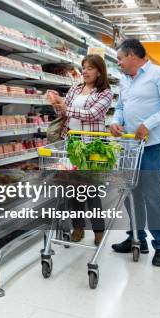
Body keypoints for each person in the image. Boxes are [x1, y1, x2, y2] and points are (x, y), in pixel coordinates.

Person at [110, 39, 160, 267]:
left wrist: (148, 124)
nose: (119, 63)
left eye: (120, 58)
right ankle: (137, 238)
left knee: (152, 196)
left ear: (132, 55)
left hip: (152, 146)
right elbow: (121, 107)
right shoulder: (124, 79)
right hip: (129, 146)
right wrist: (115, 121)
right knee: (129, 193)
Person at [48, 54, 113, 245]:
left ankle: (98, 230)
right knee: (74, 189)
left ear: (100, 71)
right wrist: (56, 104)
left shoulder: (105, 92)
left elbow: (93, 114)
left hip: (93, 145)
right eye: (83, 67)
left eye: (90, 68)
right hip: (72, 143)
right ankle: (77, 227)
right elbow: (63, 112)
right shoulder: (75, 88)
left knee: (92, 190)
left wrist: (67, 109)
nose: (85, 71)